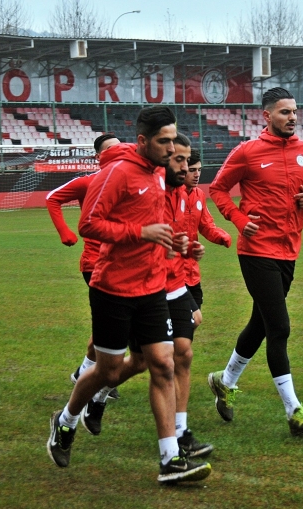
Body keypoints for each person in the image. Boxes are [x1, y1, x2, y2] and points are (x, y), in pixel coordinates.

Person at [46, 107, 211, 484]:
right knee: (108, 370)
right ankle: (67, 418)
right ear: (142, 141)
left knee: (163, 364)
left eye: (174, 140)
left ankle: (170, 460)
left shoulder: (160, 175)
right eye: (163, 141)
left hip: (153, 288)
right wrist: (141, 233)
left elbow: (160, 225)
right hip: (113, 289)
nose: (171, 149)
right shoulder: (119, 173)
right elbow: (89, 223)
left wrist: (178, 243)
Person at [80, 133, 213, 459]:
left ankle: (180, 436)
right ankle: (93, 399)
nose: (185, 169)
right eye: (178, 161)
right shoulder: (140, 186)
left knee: (181, 356)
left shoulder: (185, 194)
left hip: (175, 283)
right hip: (139, 285)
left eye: (188, 163)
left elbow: (178, 241)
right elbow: (87, 219)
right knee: (137, 362)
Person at [207, 87, 303, 436]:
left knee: (260, 323)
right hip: (256, 251)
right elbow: (217, 189)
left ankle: (224, 380)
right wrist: (240, 221)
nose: (292, 117)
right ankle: (295, 412)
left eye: (294, 111)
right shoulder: (248, 152)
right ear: (267, 115)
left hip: (290, 249)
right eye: (285, 112)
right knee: (279, 327)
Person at [45, 133, 120, 399]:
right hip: (95, 263)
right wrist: (64, 231)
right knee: (113, 326)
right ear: (99, 157)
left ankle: (86, 373)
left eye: (120, 146)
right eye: (111, 148)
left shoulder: (131, 180)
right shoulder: (89, 181)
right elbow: (52, 197)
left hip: (123, 263)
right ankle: (95, 377)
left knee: (110, 326)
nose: (118, 151)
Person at [182, 150, 231, 309]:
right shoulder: (171, 195)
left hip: (192, 270)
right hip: (172, 271)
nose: (197, 174)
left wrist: (221, 236)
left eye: (199, 170)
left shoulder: (199, 195)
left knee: (195, 317)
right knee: (187, 320)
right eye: (192, 170)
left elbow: (206, 224)